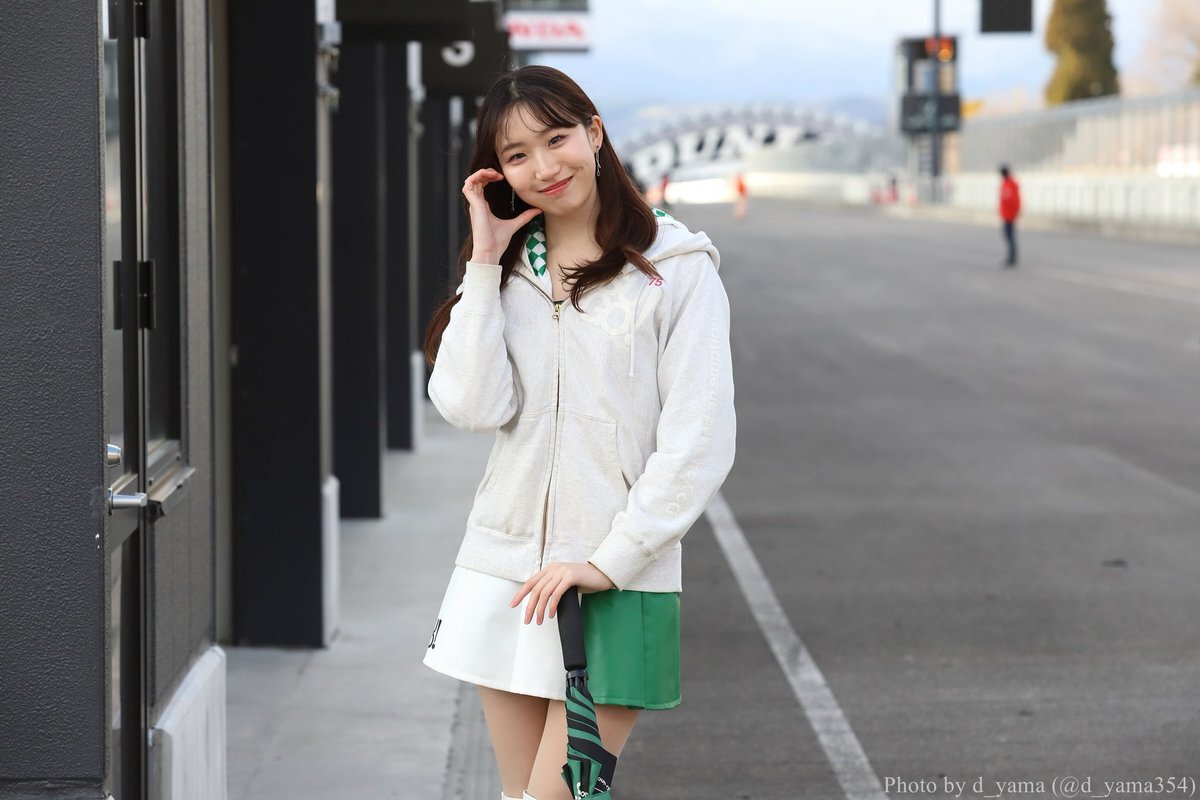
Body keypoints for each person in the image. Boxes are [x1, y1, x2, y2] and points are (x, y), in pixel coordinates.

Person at [421, 65, 736, 800]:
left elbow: (700, 437)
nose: (543, 167)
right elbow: (471, 406)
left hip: (617, 581)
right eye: (517, 155)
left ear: (594, 134)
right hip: (507, 575)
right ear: (497, 174)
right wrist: (485, 261)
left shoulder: (675, 269)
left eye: (556, 138)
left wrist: (609, 560)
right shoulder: (505, 274)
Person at [999, 165, 1021, 267]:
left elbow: (1013, 200)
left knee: (1010, 236)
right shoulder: (1007, 183)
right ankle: (1011, 257)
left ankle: (1012, 258)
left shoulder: (1009, 184)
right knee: (1008, 236)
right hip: (1007, 214)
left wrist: (1014, 212)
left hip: (1009, 215)